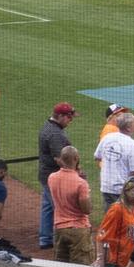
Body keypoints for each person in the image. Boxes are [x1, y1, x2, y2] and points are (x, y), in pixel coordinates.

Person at [36, 103, 76, 251]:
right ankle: (61, 241)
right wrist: (74, 173)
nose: (70, 120)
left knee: (47, 206)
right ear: (59, 116)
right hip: (54, 177)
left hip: (45, 174)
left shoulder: (48, 126)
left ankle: (45, 239)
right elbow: (60, 159)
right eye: (69, 117)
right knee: (60, 208)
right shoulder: (55, 134)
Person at [46, 146, 94, 264]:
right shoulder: (81, 183)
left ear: (61, 159)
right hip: (78, 230)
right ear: (77, 158)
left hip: (59, 229)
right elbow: (86, 209)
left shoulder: (51, 178)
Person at [97, 180, 134, 267]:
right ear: (126, 192)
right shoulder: (117, 209)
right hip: (121, 262)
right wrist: (100, 258)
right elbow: (101, 235)